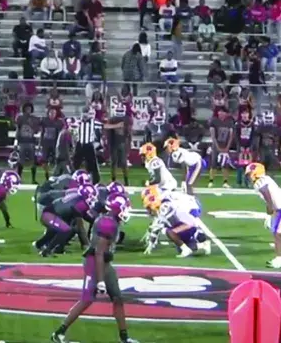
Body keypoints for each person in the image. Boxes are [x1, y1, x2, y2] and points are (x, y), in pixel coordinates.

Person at [51, 195, 139, 343]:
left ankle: (124, 338)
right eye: (124, 208)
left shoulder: (111, 220)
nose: (126, 211)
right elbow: (99, 252)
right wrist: (100, 281)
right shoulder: (107, 224)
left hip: (105, 262)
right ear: (117, 209)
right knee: (86, 300)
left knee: (117, 298)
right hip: (94, 263)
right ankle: (59, 333)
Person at [245, 162, 281, 269]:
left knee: (278, 234)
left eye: (249, 174)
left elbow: (267, 195)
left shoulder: (260, 182)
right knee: (278, 233)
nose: (248, 177)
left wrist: (269, 210)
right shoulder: (265, 179)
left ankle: (280, 259)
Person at [141, 185, 210, 257]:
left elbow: (166, 224)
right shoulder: (162, 199)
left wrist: (160, 225)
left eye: (149, 207)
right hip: (187, 209)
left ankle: (197, 236)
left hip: (191, 207)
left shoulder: (165, 206)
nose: (148, 210)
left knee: (170, 231)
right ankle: (200, 243)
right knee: (179, 242)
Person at [13, 102, 41, 184]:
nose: (28, 110)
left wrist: (33, 125)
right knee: (20, 161)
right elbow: (18, 130)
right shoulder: (20, 118)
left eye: (29, 108)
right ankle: (18, 178)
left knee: (33, 161)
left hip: (31, 141)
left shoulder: (34, 119)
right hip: (22, 141)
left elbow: (37, 131)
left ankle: (33, 179)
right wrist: (15, 142)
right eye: (26, 108)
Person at [208, 107, 235, 189]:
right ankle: (211, 181)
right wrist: (217, 147)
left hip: (225, 145)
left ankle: (225, 182)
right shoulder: (214, 121)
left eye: (223, 112)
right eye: (220, 112)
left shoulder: (229, 122)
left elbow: (231, 136)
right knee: (213, 164)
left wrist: (227, 147)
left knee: (225, 164)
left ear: (226, 114)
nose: (221, 113)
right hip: (216, 145)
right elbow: (213, 136)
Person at [104, 103, 131, 186]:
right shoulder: (112, 119)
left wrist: (128, 143)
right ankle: (113, 180)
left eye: (121, 110)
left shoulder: (127, 119)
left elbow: (128, 132)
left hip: (122, 142)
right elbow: (107, 128)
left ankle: (126, 180)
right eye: (118, 110)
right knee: (114, 162)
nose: (119, 112)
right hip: (114, 142)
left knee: (123, 163)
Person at [73, 108, 101, 184]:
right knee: (75, 164)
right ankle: (72, 180)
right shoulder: (77, 122)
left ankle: (95, 181)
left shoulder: (94, 122)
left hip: (89, 145)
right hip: (80, 144)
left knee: (92, 165)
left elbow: (102, 128)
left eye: (86, 114)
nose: (85, 116)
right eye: (84, 114)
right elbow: (71, 130)